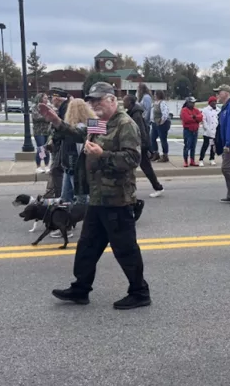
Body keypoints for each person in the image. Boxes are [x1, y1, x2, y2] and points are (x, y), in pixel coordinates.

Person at [40, 82, 151, 310]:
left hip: (118, 199)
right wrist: (56, 122)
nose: (94, 104)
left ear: (112, 100)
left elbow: (132, 159)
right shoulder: (100, 123)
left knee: (125, 249)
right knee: (87, 246)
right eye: (91, 100)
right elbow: (78, 133)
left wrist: (103, 155)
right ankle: (80, 289)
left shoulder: (125, 124)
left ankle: (140, 292)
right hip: (98, 197)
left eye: (98, 100)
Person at [124, 94, 164, 197]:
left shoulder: (136, 114)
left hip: (139, 145)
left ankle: (158, 187)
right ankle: (157, 187)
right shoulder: (134, 112)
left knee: (143, 167)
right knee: (142, 167)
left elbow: (141, 130)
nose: (123, 102)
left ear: (130, 102)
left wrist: (144, 146)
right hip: (138, 145)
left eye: (125, 101)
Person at [60, 98, 96, 205]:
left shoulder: (75, 129)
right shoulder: (91, 125)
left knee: (79, 199)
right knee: (69, 198)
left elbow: (79, 150)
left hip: (73, 167)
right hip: (73, 166)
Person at [46, 88, 70, 197]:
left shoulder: (65, 109)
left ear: (57, 99)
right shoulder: (63, 108)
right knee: (58, 170)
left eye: (52, 98)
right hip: (61, 144)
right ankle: (57, 194)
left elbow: (64, 128)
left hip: (63, 144)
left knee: (57, 170)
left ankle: (60, 196)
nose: (51, 100)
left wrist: (54, 139)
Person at [32, 93, 52, 174]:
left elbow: (52, 116)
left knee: (47, 148)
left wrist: (48, 117)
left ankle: (47, 165)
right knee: (41, 148)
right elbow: (36, 117)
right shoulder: (35, 107)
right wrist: (47, 117)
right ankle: (38, 166)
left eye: (47, 98)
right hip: (38, 131)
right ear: (40, 99)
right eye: (45, 98)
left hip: (47, 131)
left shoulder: (48, 107)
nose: (46, 100)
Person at [180, 97, 203, 167]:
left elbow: (201, 117)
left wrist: (194, 117)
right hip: (188, 131)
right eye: (191, 102)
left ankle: (192, 160)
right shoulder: (184, 110)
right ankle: (185, 161)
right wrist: (195, 118)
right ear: (187, 103)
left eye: (194, 103)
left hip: (195, 130)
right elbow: (186, 119)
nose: (193, 104)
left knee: (193, 146)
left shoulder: (196, 110)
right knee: (187, 146)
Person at [150, 90, 171, 163]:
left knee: (163, 139)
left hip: (162, 123)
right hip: (154, 123)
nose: (154, 96)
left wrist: (161, 121)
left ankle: (165, 155)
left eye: (156, 94)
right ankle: (156, 153)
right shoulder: (154, 103)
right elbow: (152, 113)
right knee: (152, 138)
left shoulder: (162, 103)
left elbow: (165, 113)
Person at [199, 96, 219, 166]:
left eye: (215, 101)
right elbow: (204, 120)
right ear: (210, 102)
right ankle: (201, 159)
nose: (214, 103)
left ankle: (212, 159)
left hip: (215, 131)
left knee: (213, 146)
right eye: (212, 101)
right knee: (205, 146)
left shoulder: (218, 110)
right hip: (207, 132)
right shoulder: (205, 110)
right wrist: (207, 128)